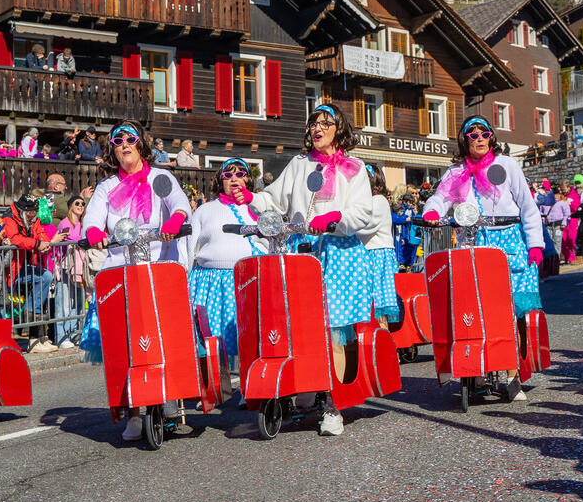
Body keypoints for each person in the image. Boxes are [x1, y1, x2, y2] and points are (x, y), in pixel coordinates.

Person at [245, 104, 373, 436]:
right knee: (298, 327)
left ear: (339, 128)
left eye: (325, 123)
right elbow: (274, 199)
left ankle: (333, 406)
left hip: (340, 253)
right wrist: (253, 200)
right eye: (313, 123)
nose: (317, 128)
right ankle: (302, 387)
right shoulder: (300, 164)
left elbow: (364, 213)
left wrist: (334, 219)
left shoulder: (355, 168)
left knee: (333, 331)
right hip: (302, 251)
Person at [81, 121, 190, 441]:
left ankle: (173, 400)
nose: (125, 144)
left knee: (165, 337)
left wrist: (175, 219)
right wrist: (93, 233)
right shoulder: (106, 186)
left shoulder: (160, 178)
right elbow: (92, 218)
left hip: (158, 267)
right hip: (120, 269)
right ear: (112, 149)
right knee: (125, 344)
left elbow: (180, 205)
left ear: (142, 144)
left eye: (131, 139)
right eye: (118, 140)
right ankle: (132, 410)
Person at [422, 116, 544, 402]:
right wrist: (432, 212)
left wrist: (535, 244)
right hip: (472, 240)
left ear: (491, 137)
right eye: (471, 133)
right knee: (473, 309)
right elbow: (440, 198)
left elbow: (527, 205)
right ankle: (474, 369)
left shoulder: (507, 166)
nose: (478, 138)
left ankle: (513, 376)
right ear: (464, 139)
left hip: (509, 240)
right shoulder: (455, 172)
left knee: (509, 311)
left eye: (484, 133)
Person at [187, 159, 266, 368]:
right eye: (228, 175)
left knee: (246, 334)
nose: (234, 179)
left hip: (246, 281)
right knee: (210, 336)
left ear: (248, 180)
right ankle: (212, 388)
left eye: (240, 174)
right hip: (209, 282)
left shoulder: (257, 210)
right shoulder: (204, 211)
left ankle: (249, 388)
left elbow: (270, 245)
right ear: (220, 181)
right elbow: (189, 248)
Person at [2, 192, 58, 353]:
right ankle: (34, 335)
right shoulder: (9, 218)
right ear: (22, 210)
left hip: (24, 266)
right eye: (31, 212)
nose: (34, 215)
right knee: (43, 281)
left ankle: (36, 337)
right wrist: (37, 243)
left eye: (35, 211)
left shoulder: (32, 218)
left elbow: (40, 231)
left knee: (46, 277)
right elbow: (15, 238)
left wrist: (44, 242)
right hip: (11, 270)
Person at [358, 165, 399, 328]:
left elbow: (367, 225)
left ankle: (383, 338)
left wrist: (345, 227)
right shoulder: (370, 201)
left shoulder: (378, 201)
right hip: (370, 253)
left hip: (377, 254)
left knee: (379, 302)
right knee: (371, 302)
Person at [52, 195, 86, 349]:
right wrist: (86, 239)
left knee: (78, 302)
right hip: (66, 266)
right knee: (63, 302)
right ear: (71, 206)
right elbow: (69, 238)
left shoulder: (84, 223)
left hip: (80, 267)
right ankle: (61, 336)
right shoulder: (65, 223)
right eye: (77, 203)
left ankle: (73, 333)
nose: (80, 206)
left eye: (83, 204)